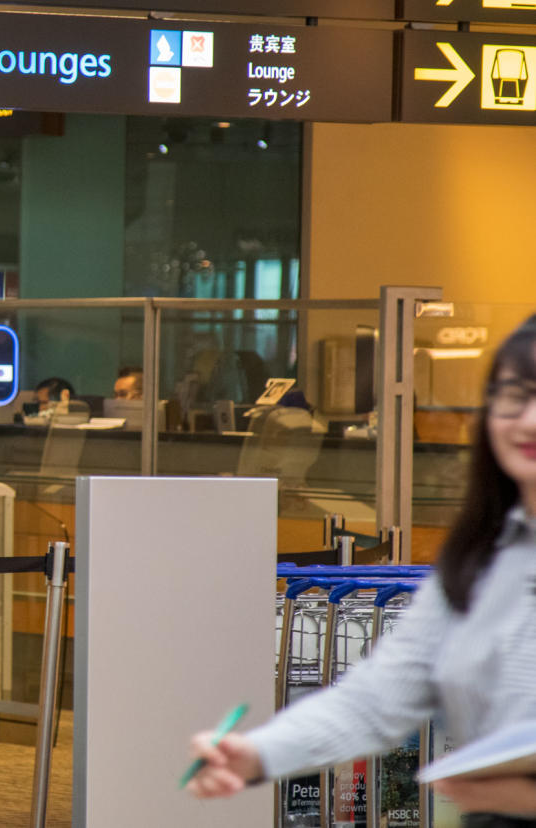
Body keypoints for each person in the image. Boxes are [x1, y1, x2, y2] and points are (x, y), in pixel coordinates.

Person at [185, 314, 536, 825]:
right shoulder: (478, 560)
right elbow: (375, 700)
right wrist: (255, 754)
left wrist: (522, 799)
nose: (527, 420)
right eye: (513, 396)